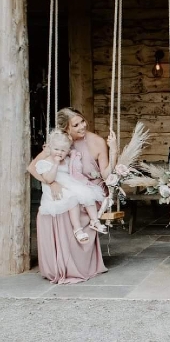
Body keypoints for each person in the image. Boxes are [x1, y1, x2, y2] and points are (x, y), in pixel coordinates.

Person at [28, 107, 116, 284]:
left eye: (82, 121)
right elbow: (32, 168)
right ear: (66, 129)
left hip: (91, 192)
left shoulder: (97, 142)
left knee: (73, 206)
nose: (82, 126)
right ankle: (62, 265)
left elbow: (106, 175)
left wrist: (113, 150)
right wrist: (51, 182)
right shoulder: (60, 143)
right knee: (58, 208)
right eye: (76, 125)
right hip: (69, 191)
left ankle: (80, 264)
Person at [35, 130, 108, 244]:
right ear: (49, 148)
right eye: (56, 149)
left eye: (63, 150)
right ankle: (77, 229)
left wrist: (75, 157)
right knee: (72, 198)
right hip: (56, 188)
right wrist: (56, 163)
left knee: (87, 193)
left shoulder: (67, 160)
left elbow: (74, 172)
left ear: (67, 151)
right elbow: (49, 179)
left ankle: (95, 221)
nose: (59, 153)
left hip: (70, 184)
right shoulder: (44, 162)